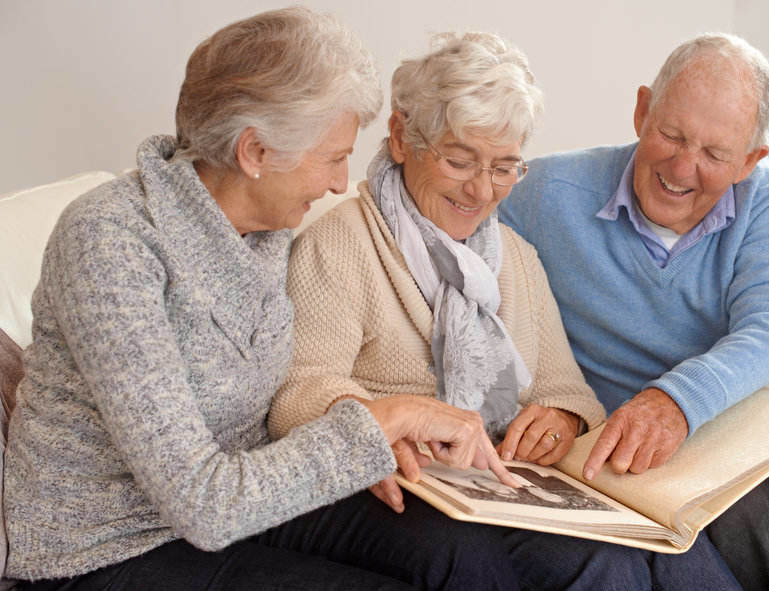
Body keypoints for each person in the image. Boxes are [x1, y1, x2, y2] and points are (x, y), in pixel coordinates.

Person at [3, 8, 516, 590]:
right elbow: (203, 501)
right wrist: (381, 420)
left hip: (249, 505)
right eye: (332, 157)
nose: (338, 183)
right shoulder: (109, 240)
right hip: (108, 548)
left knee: (457, 552)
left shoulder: (265, 229)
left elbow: (263, 441)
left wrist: (364, 441)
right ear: (253, 152)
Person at [270, 31, 741, 590]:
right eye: (460, 160)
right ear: (401, 138)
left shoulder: (515, 257)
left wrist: (559, 421)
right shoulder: (342, 240)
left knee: (670, 555)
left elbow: (569, 394)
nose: (481, 190)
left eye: (504, 168)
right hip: (398, 485)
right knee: (561, 564)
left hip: (496, 485)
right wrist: (379, 426)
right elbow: (297, 393)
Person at [498, 32, 769, 590]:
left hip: (729, 411)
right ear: (641, 110)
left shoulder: (767, 197)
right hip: (620, 437)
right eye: (670, 135)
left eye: (714, 154)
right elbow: (468, 281)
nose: (682, 168)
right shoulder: (544, 192)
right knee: (756, 500)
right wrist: (554, 404)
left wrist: (678, 401)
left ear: (752, 160)